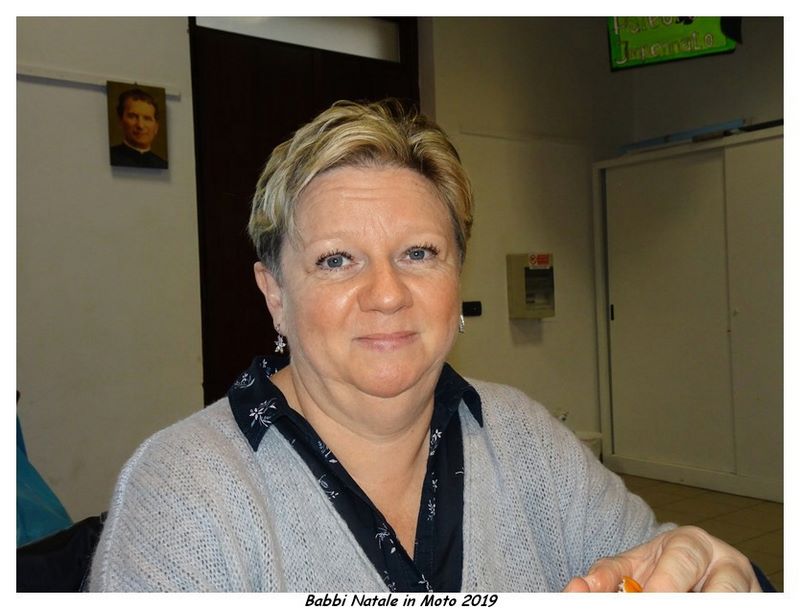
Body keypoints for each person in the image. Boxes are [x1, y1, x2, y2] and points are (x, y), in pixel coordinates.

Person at [88, 100, 766, 592]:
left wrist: (726, 577)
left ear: (456, 279)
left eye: (419, 253)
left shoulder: (525, 440)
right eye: (336, 260)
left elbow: (655, 562)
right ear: (275, 296)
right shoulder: (183, 493)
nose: (387, 294)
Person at [109, 88, 168, 169]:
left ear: (156, 127)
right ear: (120, 121)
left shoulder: (162, 165)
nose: (140, 125)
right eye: (133, 117)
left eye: (147, 118)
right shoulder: (109, 157)